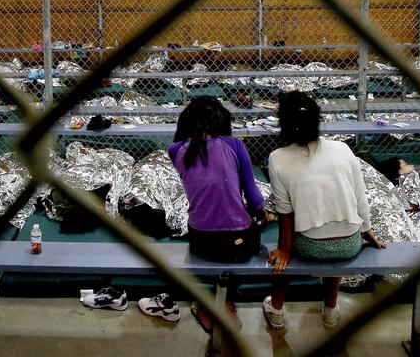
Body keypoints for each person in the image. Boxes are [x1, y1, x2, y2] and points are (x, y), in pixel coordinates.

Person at [138, 96, 268, 329]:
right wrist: (262, 214)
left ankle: (206, 302)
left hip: (202, 240)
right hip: (240, 244)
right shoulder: (234, 145)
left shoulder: (175, 150)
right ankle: (226, 301)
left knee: (212, 224)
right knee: (250, 228)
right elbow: (255, 198)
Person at [263, 91, 386, 330]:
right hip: (349, 244)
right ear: (317, 120)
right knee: (334, 229)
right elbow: (360, 197)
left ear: (283, 123)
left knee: (284, 256)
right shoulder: (342, 149)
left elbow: (285, 214)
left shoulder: (277, 158)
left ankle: (276, 309)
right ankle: (330, 308)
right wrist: (366, 231)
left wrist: (284, 250)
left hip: (311, 246)